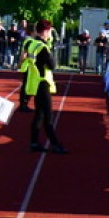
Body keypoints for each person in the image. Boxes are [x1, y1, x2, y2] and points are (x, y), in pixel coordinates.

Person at [26, 19, 67, 154]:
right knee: (48, 116)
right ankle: (55, 144)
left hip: (36, 81)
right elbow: (52, 65)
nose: (51, 34)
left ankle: (34, 142)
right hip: (43, 82)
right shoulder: (42, 47)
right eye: (50, 31)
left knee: (39, 114)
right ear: (45, 31)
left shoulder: (33, 44)